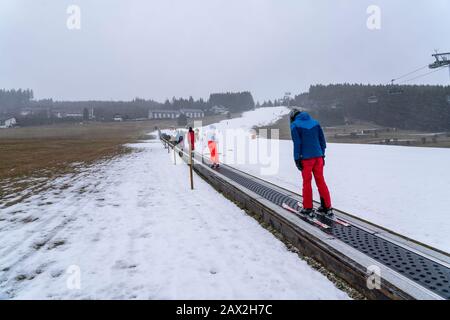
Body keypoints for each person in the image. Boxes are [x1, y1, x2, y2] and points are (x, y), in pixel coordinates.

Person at [290, 109, 333, 218]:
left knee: (307, 183)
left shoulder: (295, 125)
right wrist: (322, 155)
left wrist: (297, 159)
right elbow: (322, 141)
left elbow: (297, 143)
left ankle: (308, 208)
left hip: (306, 159)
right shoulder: (315, 123)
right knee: (321, 181)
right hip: (318, 157)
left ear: (293, 117)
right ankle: (326, 207)